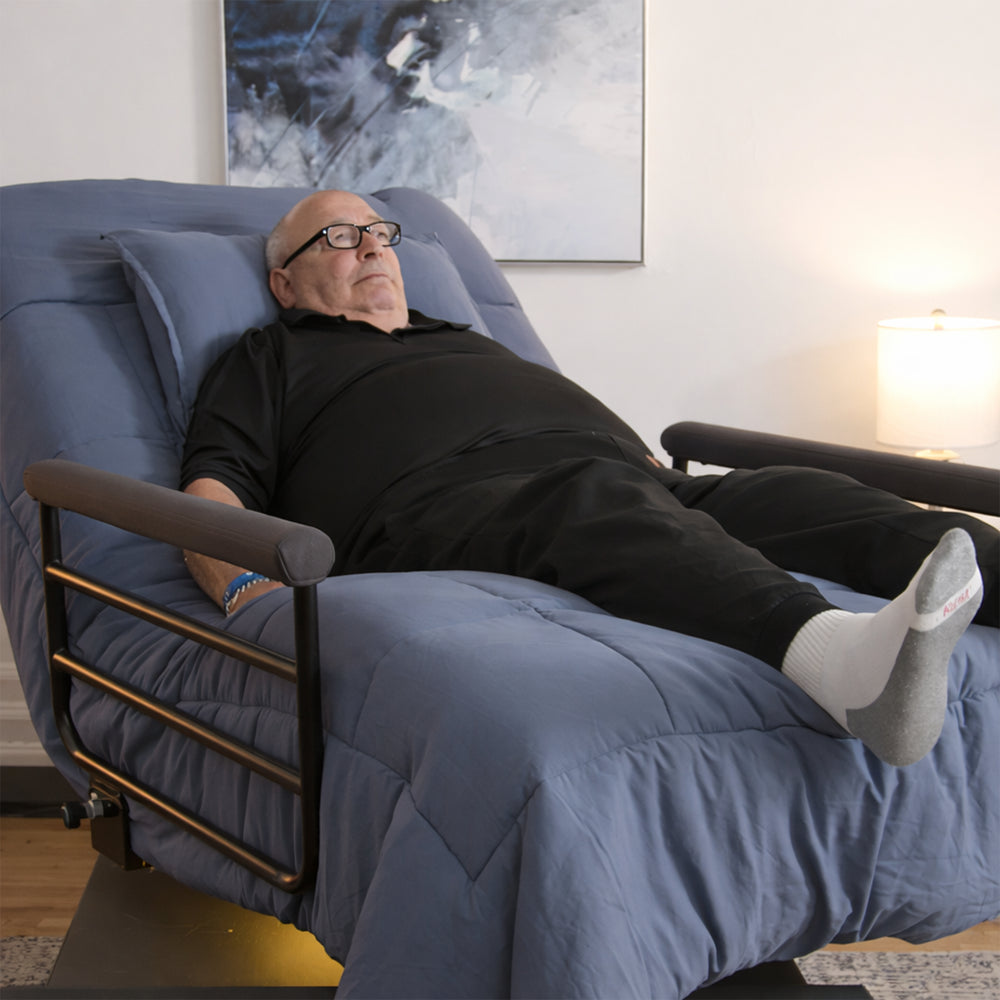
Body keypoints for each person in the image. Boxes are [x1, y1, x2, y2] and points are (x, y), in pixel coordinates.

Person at [181, 189, 996, 768]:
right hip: (443, 509)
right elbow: (210, 494)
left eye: (380, 233)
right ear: (284, 283)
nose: (371, 247)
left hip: (617, 475)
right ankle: (840, 665)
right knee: (590, 498)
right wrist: (249, 593)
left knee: (802, 494)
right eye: (338, 237)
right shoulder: (270, 357)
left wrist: (636, 455)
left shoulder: (464, 336)